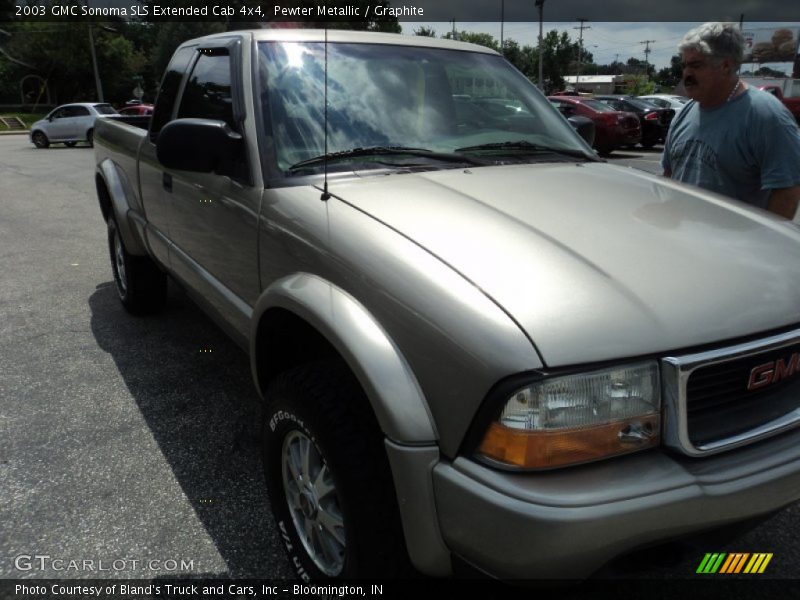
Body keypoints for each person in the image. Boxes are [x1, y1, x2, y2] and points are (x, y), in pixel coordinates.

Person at [662, 22, 800, 220]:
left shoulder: (766, 116)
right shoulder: (684, 113)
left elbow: (788, 191)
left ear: (726, 66)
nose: (686, 74)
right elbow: (668, 175)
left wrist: (762, 237)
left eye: (696, 65)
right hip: (683, 236)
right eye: (685, 66)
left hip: (736, 239)